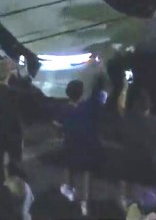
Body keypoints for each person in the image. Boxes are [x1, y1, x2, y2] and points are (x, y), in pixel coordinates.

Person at [54, 80, 105, 218]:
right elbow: (100, 99)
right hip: (89, 145)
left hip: (70, 145)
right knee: (87, 172)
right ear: (81, 93)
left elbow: (57, 125)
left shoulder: (63, 109)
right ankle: (85, 202)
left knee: (69, 167)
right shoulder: (88, 107)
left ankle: (69, 195)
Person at [0, 59, 24, 181]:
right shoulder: (13, 94)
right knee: (14, 162)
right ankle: (14, 184)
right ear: (8, 75)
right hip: (12, 133)